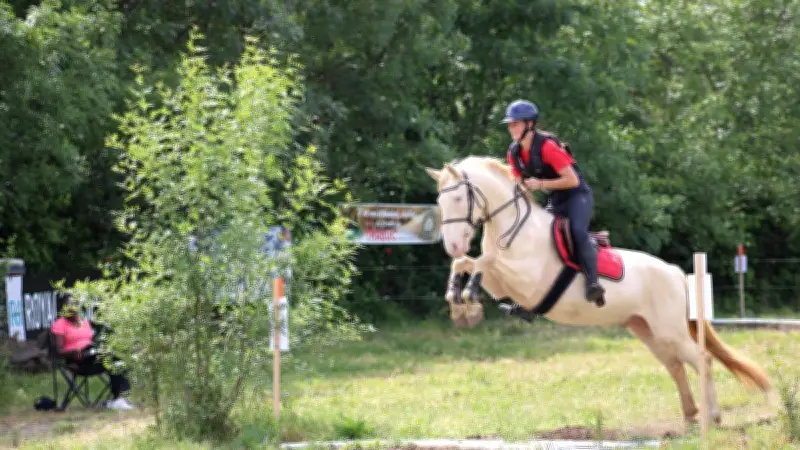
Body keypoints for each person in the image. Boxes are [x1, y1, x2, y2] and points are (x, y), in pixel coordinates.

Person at [502, 99, 605, 303]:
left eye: (515, 123)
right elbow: (519, 182)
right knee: (537, 237)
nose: (511, 128)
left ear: (530, 124)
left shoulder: (548, 146)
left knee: (576, 231)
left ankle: (594, 283)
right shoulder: (513, 153)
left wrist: (540, 184)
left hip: (577, 196)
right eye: (510, 124)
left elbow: (572, 180)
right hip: (556, 198)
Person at [51, 294, 134, 410]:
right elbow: (58, 351)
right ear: (64, 308)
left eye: (75, 304)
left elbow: (90, 341)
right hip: (77, 360)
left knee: (117, 362)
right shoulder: (59, 324)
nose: (73, 307)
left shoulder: (84, 322)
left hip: (92, 355)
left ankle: (119, 398)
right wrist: (73, 352)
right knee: (110, 359)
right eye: (69, 305)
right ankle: (118, 400)